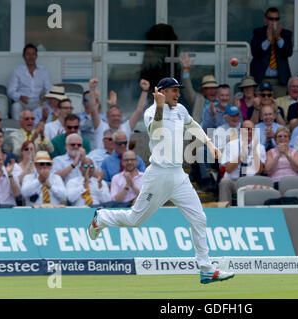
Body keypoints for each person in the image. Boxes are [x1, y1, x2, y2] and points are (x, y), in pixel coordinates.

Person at [88, 77, 235, 284]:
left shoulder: (180, 109)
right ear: (162, 92)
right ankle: (101, 219)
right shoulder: (151, 113)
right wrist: (158, 106)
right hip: (158, 175)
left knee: (199, 219)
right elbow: (156, 130)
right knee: (134, 221)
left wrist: (210, 145)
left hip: (178, 175)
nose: (178, 94)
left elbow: (193, 125)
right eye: (174, 91)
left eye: (178, 91)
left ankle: (206, 268)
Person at [88, 78, 149, 149]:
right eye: (113, 115)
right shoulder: (100, 126)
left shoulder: (126, 127)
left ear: (121, 117)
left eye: (118, 115)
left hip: (122, 159)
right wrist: (92, 89)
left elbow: (139, 110)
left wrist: (145, 90)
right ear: (107, 117)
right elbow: (92, 109)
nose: (116, 118)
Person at [219, 120, 266, 205]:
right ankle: (224, 210)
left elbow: (259, 170)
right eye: (247, 129)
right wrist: (241, 156)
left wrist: (254, 150)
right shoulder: (231, 145)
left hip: (251, 181)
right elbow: (228, 169)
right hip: (234, 181)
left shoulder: (260, 147)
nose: (250, 131)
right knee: (224, 182)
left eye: (252, 129)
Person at [250, 7, 293, 98]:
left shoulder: (286, 33)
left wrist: (278, 38)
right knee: (261, 107)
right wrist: (268, 40)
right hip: (261, 79)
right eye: (271, 19)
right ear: (266, 19)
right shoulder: (258, 32)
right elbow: (255, 52)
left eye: (276, 19)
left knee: (280, 107)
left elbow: (288, 52)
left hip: (280, 81)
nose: (274, 21)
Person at [7, 44, 52, 120]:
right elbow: (10, 91)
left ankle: (42, 129)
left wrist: (46, 96)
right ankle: (17, 129)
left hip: (38, 102)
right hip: (23, 102)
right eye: (28, 54)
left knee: (47, 108)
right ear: (23, 56)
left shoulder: (44, 71)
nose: (31, 57)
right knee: (15, 106)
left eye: (33, 54)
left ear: (36, 56)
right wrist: (20, 97)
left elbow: (49, 88)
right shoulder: (17, 71)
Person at [180, 52, 219, 123]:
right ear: (203, 91)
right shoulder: (198, 99)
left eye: (214, 88)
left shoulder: (221, 100)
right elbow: (187, 89)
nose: (212, 91)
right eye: (209, 89)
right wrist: (186, 70)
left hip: (216, 132)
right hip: (199, 132)